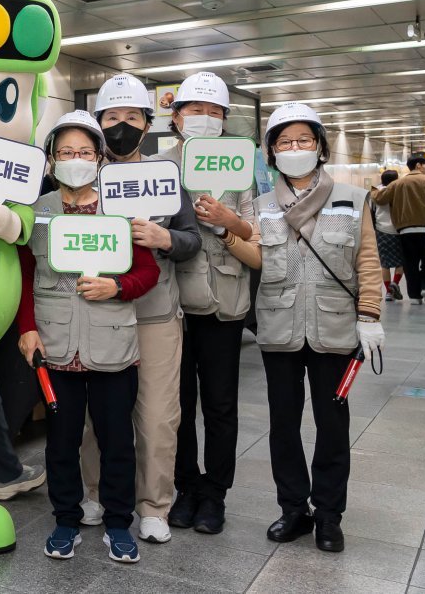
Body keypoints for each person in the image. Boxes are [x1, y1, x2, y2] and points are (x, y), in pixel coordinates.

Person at [17, 112, 160, 564]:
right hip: (55, 345)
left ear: (99, 157)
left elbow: (148, 271)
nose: (74, 160)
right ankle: (65, 520)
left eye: (83, 152)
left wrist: (116, 287)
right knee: (61, 440)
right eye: (65, 153)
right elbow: (23, 274)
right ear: (51, 160)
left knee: (117, 440)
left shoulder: (119, 209)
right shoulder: (37, 211)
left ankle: (119, 524)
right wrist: (26, 328)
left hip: (112, 344)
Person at [76, 74, 203, 545]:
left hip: (155, 313)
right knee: (97, 415)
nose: (122, 126)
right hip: (97, 313)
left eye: (132, 117)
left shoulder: (166, 177)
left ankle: (153, 505)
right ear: (98, 123)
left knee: (157, 415)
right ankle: (95, 493)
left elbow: (191, 239)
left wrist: (165, 238)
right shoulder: (82, 174)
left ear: (148, 125)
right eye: (113, 118)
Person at [253, 103, 384, 553]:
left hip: (335, 330)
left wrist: (370, 316)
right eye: (284, 142)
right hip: (278, 328)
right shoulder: (261, 206)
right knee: (283, 425)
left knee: (332, 425)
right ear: (271, 151)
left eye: (303, 141)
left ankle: (329, 514)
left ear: (320, 147)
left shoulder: (352, 197)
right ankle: (293, 509)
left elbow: (367, 261)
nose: (294, 149)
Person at [160, 71, 261, 535]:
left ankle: (215, 493)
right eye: (194, 110)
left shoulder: (242, 167)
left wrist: (227, 221)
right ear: (176, 117)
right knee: (176, 404)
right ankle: (185, 487)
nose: (204, 118)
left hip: (224, 302)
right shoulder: (158, 166)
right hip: (171, 305)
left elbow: (256, 236)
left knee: (220, 404)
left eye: (214, 111)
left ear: (225, 119)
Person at [375, 155, 425, 304]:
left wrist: (374, 191)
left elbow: (380, 199)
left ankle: (414, 296)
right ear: (418, 165)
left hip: (406, 231)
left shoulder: (397, 184)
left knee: (410, 264)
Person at [373, 170, 404, 301]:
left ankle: (388, 292)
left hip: (381, 230)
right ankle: (395, 284)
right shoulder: (399, 190)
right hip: (399, 230)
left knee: (384, 264)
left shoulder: (375, 192)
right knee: (401, 261)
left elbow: (371, 210)